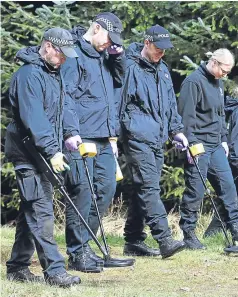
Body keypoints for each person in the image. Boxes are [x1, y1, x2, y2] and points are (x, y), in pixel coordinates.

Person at [4, 28, 81, 287]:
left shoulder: (53, 74)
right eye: (61, 53)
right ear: (47, 47)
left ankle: (17, 267)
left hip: (44, 152)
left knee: (31, 210)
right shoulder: (28, 76)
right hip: (28, 153)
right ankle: (55, 272)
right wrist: (52, 150)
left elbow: (60, 110)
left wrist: (70, 133)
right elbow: (34, 118)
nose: (64, 59)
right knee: (42, 211)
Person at [61, 12, 126, 272]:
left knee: (107, 188)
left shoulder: (105, 56)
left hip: (104, 136)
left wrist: (117, 56)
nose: (111, 44)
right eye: (110, 38)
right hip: (81, 137)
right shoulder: (74, 54)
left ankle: (87, 245)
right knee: (82, 193)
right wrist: (70, 132)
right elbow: (64, 96)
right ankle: (77, 253)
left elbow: (119, 81)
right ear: (96, 28)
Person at [119, 25, 188, 258]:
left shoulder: (163, 70)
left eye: (165, 50)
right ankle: (165, 238)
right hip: (137, 137)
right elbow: (119, 105)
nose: (162, 53)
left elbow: (169, 104)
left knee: (143, 188)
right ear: (147, 43)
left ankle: (133, 240)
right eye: (158, 48)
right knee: (149, 187)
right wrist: (116, 135)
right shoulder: (130, 67)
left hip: (157, 138)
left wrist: (176, 131)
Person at [177, 49, 238, 249]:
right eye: (224, 71)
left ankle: (236, 231)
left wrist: (223, 139)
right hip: (198, 144)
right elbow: (186, 117)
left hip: (216, 145)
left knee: (228, 187)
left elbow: (220, 115)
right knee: (196, 190)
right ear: (214, 63)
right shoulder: (193, 82)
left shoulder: (218, 83)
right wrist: (191, 144)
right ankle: (189, 235)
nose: (225, 75)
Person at [204, 95, 238, 237]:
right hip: (234, 163)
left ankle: (212, 235)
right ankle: (213, 235)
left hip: (232, 162)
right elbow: (235, 144)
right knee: (229, 202)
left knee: (228, 204)